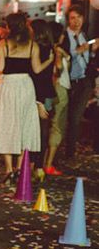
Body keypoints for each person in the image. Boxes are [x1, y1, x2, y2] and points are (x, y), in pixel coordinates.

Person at [0, 12, 54, 182]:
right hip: (26, 86)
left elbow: (1, 67)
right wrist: (50, 60)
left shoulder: (4, 44)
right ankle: (19, 168)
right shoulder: (33, 45)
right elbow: (37, 69)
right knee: (24, 125)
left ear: (9, 27)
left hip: (9, 86)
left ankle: (9, 169)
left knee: (7, 124)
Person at [62, 4, 99, 159]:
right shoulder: (64, 36)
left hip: (84, 81)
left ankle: (70, 151)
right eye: (72, 18)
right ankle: (61, 148)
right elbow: (64, 56)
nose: (76, 21)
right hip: (68, 81)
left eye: (79, 17)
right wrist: (78, 52)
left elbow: (88, 59)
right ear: (68, 20)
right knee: (64, 116)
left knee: (76, 117)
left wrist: (93, 51)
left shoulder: (84, 35)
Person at [29, 19, 56, 180]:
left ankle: (35, 165)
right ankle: (38, 166)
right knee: (42, 132)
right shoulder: (49, 48)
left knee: (36, 131)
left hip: (38, 94)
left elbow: (37, 75)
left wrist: (37, 100)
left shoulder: (36, 48)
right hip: (47, 93)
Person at [44, 22, 71, 174]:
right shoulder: (57, 50)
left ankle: (41, 163)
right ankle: (48, 164)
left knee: (48, 125)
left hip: (52, 89)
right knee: (57, 126)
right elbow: (59, 68)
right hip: (59, 89)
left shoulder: (46, 48)